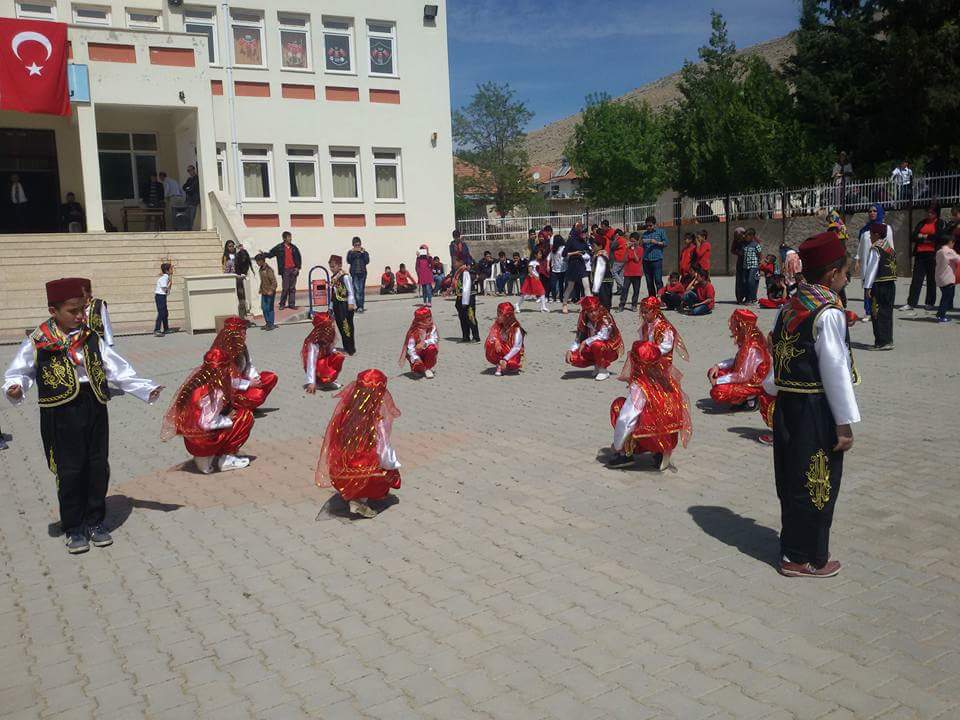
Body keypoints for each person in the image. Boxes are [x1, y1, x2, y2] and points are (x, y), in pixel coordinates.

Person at [4, 278, 163, 554]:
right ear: (53, 310)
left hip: (94, 404)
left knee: (97, 464)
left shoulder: (90, 337)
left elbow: (116, 368)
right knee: (70, 469)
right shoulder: (39, 340)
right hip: (60, 410)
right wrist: (15, 389)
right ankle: (74, 527)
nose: (80, 316)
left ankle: (94, 521)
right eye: (73, 311)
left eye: (82, 310)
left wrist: (145, 388)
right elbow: (20, 371)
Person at [766, 231, 860, 578]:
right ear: (832, 274)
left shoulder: (791, 306)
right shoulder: (828, 312)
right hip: (816, 410)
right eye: (846, 273)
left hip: (789, 407)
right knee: (819, 481)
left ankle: (792, 547)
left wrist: (772, 390)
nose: (847, 279)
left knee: (792, 479)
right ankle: (809, 557)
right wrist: (844, 422)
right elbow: (834, 370)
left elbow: (778, 355)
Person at [315, 369, 401, 518]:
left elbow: (335, 440)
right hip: (362, 471)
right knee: (385, 472)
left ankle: (353, 496)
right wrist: (392, 466)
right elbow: (383, 449)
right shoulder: (375, 420)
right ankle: (359, 500)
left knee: (360, 465)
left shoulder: (347, 412)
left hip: (339, 471)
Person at [161, 347, 252, 476]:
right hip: (203, 442)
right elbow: (207, 423)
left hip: (191, 439)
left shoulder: (197, 382)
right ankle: (226, 458)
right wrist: (228, 419)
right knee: (245, 416)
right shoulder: (215, 391)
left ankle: (203, 459)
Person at [606, 341, 692, 471]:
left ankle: (625, 454)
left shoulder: (641, 386)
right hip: (670, 436)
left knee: (618, 405)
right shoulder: (667, 378)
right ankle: (662, 452)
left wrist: (618, 445)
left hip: (651, 437)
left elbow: (626, 418)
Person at [707, 309, 771, 410]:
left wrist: (718, 381)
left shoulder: (753, 347)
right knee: (713, 372)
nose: (732, 327)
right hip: (744, 375)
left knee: (718, 392)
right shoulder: (748, 338)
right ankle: (744, 399)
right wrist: (718, 366)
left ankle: (750, 400)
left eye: (735, 324)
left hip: (754, 382)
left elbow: (744, 376)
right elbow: (738, 360)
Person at [211, 316, 278, 410]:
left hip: (243, 380)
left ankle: (247, 404)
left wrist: (255, 378)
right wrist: (248, 384)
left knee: (270, 377)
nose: (245, 336)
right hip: (228, 390)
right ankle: (236, 406)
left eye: (245, 333)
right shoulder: (222, 353)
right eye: (243, 333)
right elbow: (226, 381)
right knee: (257, 395)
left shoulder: (242, 347)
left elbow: (248, 365)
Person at [566, 296, 624, 381]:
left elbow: (603, 336)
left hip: (611, 349)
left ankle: (603, 369)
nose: (593, 313)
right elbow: (579, 338)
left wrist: (586, 341)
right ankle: (597, 364)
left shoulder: (605, 317)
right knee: (572, 358)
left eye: (595, 310)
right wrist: (571, 350)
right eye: (590, 311)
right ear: (586, 312)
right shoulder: (584, 319)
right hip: (592, 347)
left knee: (596, 344)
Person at [902, 206, 946, 312]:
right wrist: (927, 237)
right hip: (920, 254)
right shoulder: (922, 223)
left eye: (931, 212)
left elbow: (939, 237)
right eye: (928, 212)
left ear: (936, 213)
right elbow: (913, 236)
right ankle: (911, 303)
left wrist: (923, 236)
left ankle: (930, 303)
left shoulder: (940, 223)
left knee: (931, 280)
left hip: (932, 255)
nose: (929, 214)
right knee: (916, 280)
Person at [862, 223, 897, 347]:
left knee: (877, 313)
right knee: (887, 312)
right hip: (890, 284)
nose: (870, 237)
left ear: (876, 234)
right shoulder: (889, 248)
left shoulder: (876, 248)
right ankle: (888, 340)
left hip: (879, 285)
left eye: (871, 234)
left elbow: (872, 268)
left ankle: (881, 341)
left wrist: (867, 286)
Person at [303, 312, 344, 392]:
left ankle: (328, 381)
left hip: (324, 361)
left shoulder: (329, 335)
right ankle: (319, 382)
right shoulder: (314, 342)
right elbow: (311, 362)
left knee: (339, 358)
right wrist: (311, 382)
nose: (330, 327)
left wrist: (335, 353)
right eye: (327, 326)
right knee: (321, 365)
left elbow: (331, 348)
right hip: (317, 364)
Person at [639, 296, 688, 363]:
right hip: (647, 360)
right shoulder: (645, 326)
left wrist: (652, 353)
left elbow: (667, 345)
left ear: (654, 311)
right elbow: (642, 340)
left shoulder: (663, 327)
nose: (643, 315)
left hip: (661, 361)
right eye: (642, 312)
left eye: (646, 312)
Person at [486, 302, 525, 376]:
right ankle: (499, 363)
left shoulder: (516, 329)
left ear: (507, 316)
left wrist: (505, 359)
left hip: (512, 352)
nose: (498, 317)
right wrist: (496, 341)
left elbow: (517, 347)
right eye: (498, 315)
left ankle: (504, 363)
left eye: (500, 315)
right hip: (503, 349)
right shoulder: (498, 324)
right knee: (491, 343)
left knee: (512, 364)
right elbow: (492, 334)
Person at [329, 255, 357, 355]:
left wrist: (351, 303)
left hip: (345, 305)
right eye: (330, 266)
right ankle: (346, 346)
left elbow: (351, 291)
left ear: (339, 265)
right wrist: (331, 306)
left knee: (347, 327)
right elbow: (333, 293)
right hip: (337, 304)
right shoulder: (333, 277)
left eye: (333, 266)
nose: (331, 269)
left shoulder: (345, 276)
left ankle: (350, 348)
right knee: (341, 326)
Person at [400, 306, 439, 378]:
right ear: (421, 319)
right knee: (417, 364)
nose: (429, 319)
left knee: (432, 348)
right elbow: (410, 348)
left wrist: (425, 343)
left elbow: (435, 339)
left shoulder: (432, 327)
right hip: (416, 353)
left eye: (430, 316)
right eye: (427, 317)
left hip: (426, 350)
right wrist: (416, 359)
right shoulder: (414, 331)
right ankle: (417, 369)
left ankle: (428, 368)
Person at [561, 226, 591, 314]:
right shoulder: (571, 240)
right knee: (570, 286)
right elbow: (564, 254)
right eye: (583, 232)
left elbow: (589, 251)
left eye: (585, 233)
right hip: (572, 265)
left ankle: (588, 306)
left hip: (581, 264)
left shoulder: (584, 242)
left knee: (586, 285)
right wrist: (576, 253)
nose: (585, 234)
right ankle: (564, 304)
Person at [268, 232, 302, 310]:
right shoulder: (279, 247)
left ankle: (292, 304)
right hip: (285, 270)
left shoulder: (294, 248)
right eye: (289, 237)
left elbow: (299, 258)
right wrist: (263, 254)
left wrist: (298, 268)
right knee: (285, 288)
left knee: (292, 288)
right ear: (284, 238)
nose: (290, 239)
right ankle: (282, 304)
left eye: (290, 237)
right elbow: (271, 254)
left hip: (293, 269)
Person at [77, 278, 114, 347]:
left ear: (88, 292)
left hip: (98, 342)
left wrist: (109, 342)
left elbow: (106, 323)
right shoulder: (76, 306)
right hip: (80, 342)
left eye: (82, 292)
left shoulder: (98, 305)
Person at [934, 233, 960, 323]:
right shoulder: (949, 251)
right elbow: (958, 259)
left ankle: (940, 314)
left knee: (944, 296)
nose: (953, 244)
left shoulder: (939, 251)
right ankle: (941, 315)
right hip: (948, 278)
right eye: (953, 242)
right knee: (947, 298)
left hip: (940, 277)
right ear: (950, 242)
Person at [453, 258, 480, 342]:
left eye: (455, 262)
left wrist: (465, 302)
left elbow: (466, 288)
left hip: (468, 298)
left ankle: (476, 337)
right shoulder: (458, 272)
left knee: (470, 316)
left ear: (461, 262)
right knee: (463, 317)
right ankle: (466, 336)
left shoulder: (466, 272)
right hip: (460, 297)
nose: (454, 264)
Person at [641, 216, 668, 297]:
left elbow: (666, 243)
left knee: (658, 280)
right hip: (646, 260)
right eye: (647, 226)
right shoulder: (645, 234)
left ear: (654, 225)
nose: (648, 227)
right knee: (649, 281)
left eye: (650, 225)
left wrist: (656, 242)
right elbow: (641, 246)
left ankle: (661, 298)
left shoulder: (661, 232)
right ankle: (652, 299)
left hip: (657, 260)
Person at [618, 232, 644, 312]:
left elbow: (637, 260)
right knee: (625, 289)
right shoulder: (628, 248)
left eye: (634, 241)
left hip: (637, 273)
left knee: (636, 290)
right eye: (631, 241)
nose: (632, 243)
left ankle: (634, 305)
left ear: (637, 241)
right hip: (628, 273)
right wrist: (627, 249)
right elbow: (624, 259)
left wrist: (633, 250)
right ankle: (622, 305)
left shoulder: (640, 249)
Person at [346, 237, 370, 313]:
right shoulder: (350, 252)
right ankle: (358, 306)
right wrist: (353, 253)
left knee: (361, 290)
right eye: (356, 245)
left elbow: (367, 261)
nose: (357, 246)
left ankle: (361, 306)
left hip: (362, 273)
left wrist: (362, 253)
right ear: (353, 245)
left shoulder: (364, 252)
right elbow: (349, 261)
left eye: (358, 244)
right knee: (356, 290)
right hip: (354, 273)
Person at [255, 253, 277, 330]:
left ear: (261, 261)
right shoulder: (261, 269)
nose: (257, 263)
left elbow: (274, 282)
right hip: (264, 292)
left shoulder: (268, 270)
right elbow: (263, 281)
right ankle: (267, 322)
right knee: (264, 308)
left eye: (257, 261)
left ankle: (271, 324)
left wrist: (271, 290)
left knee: (269, 308)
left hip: (270, 292)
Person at [741, 229, 762, 305]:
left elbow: (760, 254)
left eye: (747, 236)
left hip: (753, 266)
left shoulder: (756, 245)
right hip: (745, 266)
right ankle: (747, 298)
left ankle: (752, 298)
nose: (745, 237)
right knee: (745, 282)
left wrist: (759, 263)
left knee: (751, 281)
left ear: (752, 236)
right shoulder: (744, 244)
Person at [235, 243, 253, 318]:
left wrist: (243, 273)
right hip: (239, 277)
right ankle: (243, 313)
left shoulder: (242, 255)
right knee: (242, 296)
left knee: (243, 296)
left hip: (242, 276)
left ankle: (244, 313)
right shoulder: (238, 255)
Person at [154, 262, 172, 337]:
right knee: (161, 313)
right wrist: (169, 285)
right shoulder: (164, 278)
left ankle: (166, 328)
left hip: (162, 296)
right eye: (171, 269)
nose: (172, 270)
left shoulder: (166, 277)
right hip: (160, 296)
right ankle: (157, 330)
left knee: (165, 313)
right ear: (167, 271)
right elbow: (164, 288)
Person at [731, 227, 747, 303]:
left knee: (747, 280)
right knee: (739, 281)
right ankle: (739, 298)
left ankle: (748, 297)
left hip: (748, 262)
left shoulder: (748, 239)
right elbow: (732, 250)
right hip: (740, 262)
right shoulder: (736, 241)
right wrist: (738, 252)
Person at [548, 236, 566, 302]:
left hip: (562, 268)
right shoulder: (553, 249)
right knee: (553, 284)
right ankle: (554, 297)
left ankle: (560, 297)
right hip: (554, 269)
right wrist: (548, 265)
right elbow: (549, 257)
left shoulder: (563, 248)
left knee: (561, 284)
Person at [182, 165, 200, 230]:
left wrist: (188, 188)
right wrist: (188, 188)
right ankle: (187, 228)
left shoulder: (197, 178)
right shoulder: (189, 179)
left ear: (193, 170)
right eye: (188, 171)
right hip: (188, 200)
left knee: (192, 216)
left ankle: (190, 229)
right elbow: (184, 187)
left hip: (193, 200)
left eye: (190, 170)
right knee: (186, 214)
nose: (189, 172)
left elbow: (192, 188)